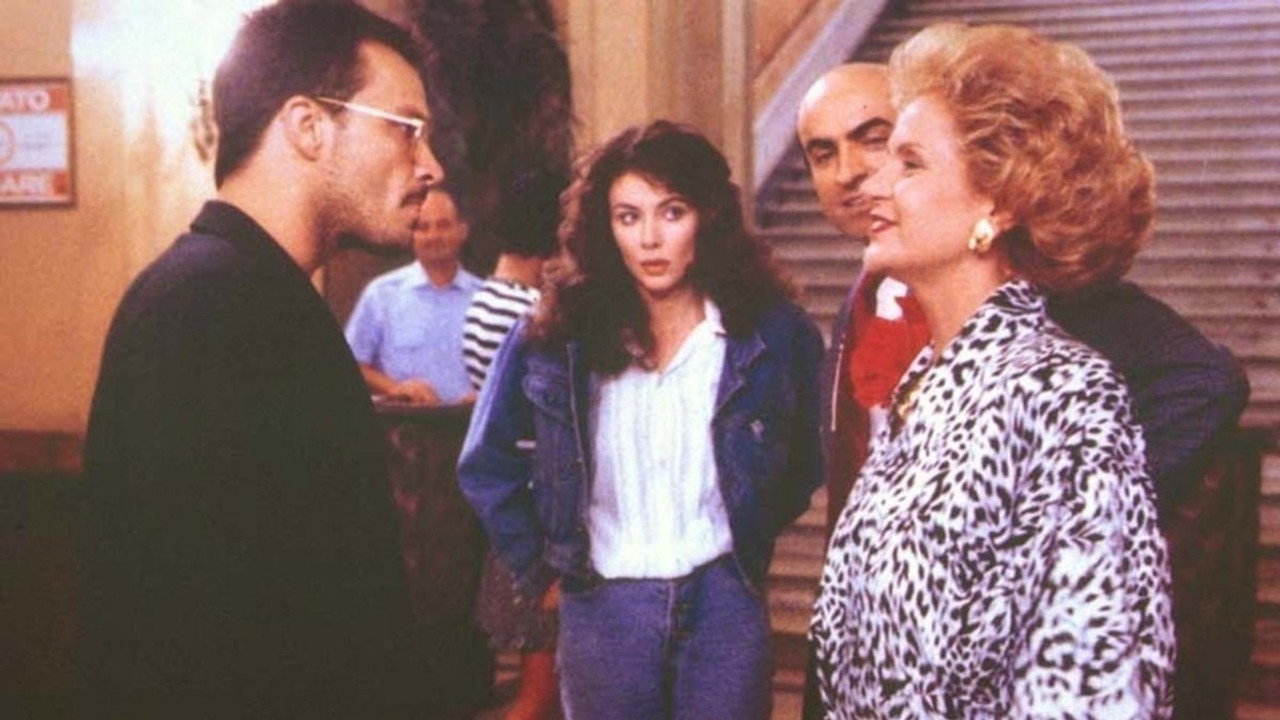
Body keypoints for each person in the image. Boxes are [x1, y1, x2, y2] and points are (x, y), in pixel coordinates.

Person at [78, 3, 444, 716]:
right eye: (405, 129)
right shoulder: (210, 305)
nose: (430, 165)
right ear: (308, 126)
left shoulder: (245, 293)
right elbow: (200, 632)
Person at [809, 24, 1176, 717]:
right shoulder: (922, 384)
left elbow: (1090, 690)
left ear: (997, 203)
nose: (872, 182)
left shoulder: (1063, 394)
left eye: (909, 163)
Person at [458, 120, 824, 720]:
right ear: (606, 228)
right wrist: (541, 568)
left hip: (724, 604)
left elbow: (804, 461)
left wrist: (748, 535)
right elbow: (485, 463)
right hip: (604, 608)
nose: (650, 238)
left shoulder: (771, 331)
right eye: (628, 217)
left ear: (707, 217)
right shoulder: (556, 337)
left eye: (671, 212)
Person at [797, 63, 1248, 530]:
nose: (851, 173)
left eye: (879, 142)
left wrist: (1071, 513)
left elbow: (1205, 381)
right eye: (823, 154)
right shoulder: (863, 300)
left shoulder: (1041, 291)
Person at [463, 169, 566, 720]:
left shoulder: (485, 298)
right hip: (536, 504)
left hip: (520, 503)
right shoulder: (527, 313)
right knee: (538, 695)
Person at [346, 185, 482, 405]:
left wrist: (486, 396)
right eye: (423, 227)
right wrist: (396, 388)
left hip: (470, 422)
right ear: (412, 234)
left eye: (443, 225)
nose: (433, 236)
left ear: (463, 231)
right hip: (404, 421)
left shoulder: (485, 299)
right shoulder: (382, 295)